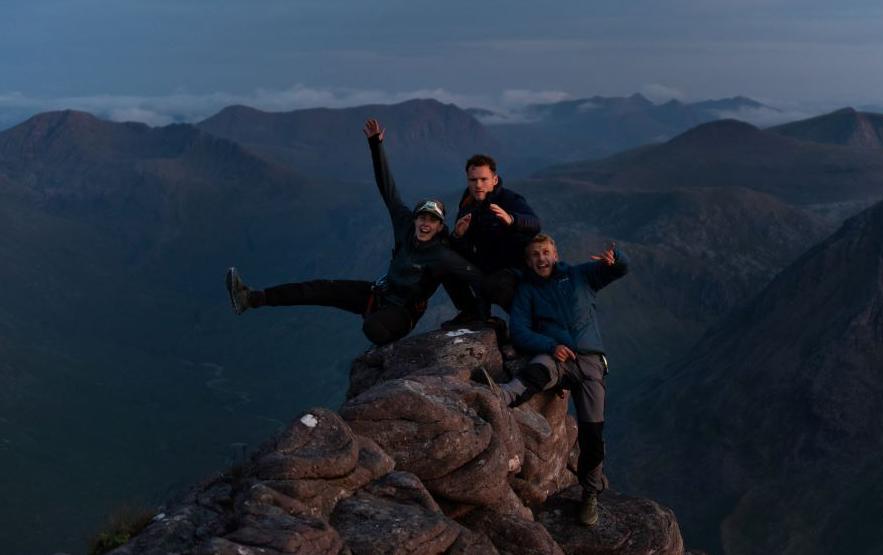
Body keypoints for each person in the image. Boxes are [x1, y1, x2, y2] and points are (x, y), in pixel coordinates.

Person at [225, 118, 485, 346]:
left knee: (372, 328)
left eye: (432, 220)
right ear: (415, 218)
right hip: (378, 294)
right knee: (319, 289)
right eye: (422, 217)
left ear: (440, 226)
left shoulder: (442, 254)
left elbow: (475, 276)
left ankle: (387, 346)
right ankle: (250, 298)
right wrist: (376, 146)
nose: (425, 223)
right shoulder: (405, 225)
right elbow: (387, 187)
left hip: (402, 314)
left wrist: (501, 302)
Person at [489, 233, 628, 527]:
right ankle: (500, 396)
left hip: (589, 362)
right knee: (538, 371)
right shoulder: (527, 292)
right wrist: (549, 345)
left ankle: (590, 494)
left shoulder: (579, 276)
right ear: (529, 261)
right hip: (557, 358)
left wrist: (618, 259)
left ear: (555, 254)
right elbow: (519, 331)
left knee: (593, 434)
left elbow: (618, 270)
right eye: (535, 255)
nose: (541, 258)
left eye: (546, 252)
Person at [443, 153, 541, 322]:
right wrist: (458, 236)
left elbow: (535, 224)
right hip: (483, 266)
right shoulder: (467, 206)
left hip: (512, 268)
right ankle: (472, 311)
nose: (478, 185)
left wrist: (512, 220)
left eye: (483, 179)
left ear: (494, 180)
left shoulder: (509, 199)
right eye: (473, 180)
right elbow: (463, 249)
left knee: (498, 286)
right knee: (443, 261)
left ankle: (529, 323)